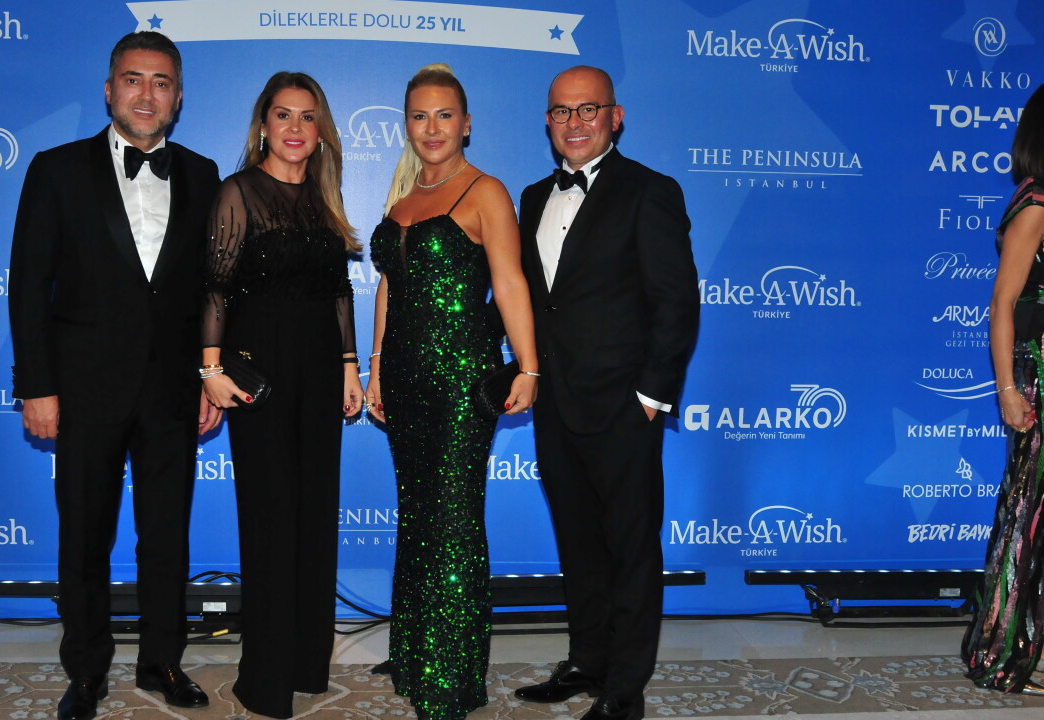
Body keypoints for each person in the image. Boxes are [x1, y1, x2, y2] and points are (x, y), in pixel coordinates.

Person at [8, 31, 221, 720]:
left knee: (167, 537)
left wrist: (210, 377)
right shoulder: (56, 169)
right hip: (82, 389)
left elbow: (212, 290)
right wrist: (36, 385)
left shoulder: (204, 174)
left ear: (178, 97)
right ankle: (86, 671)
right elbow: (28, 285)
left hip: (172, 392)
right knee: (83, 536)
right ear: (109, 90)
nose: (146, 94)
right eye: (133, 79)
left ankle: (162, 662)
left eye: (161, 82)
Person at [512, 66, 699, 720]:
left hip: (624, 406)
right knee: (579, 545)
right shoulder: (532, 197)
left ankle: (624, 689)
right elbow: (534, 302)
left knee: (630, 549)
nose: (575, 123)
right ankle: (587, 660)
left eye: (587, 109)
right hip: (555, 404)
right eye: (562, 112)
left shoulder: (650, 191)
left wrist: (651, 397)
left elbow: (676, 302)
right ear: (547, 121)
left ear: (615, 117)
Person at [364, 63, 538, 720]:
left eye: (444, 115)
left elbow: (510, 281)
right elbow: (388, 287)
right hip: (404, 377)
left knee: (453, 520)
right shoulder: (404, 198)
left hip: (462, 378)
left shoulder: (485, 191)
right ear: (406, 126)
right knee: (418, 515)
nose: (431, 128)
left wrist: (528, 367)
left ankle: (450, 677)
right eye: (419, 116)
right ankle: (415, 654)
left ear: (466, 124)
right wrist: (376, 368)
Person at [200, 71, 364, 719]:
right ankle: (266, 679)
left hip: (321, 374)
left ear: (320, 131)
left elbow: (338, 291)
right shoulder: (238, 191)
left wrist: (350, 366)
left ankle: (304, 665)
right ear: (263, 126)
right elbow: (215, 286)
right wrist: (209, 368)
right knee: (270, 520)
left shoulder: (324, 198)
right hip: (260, 377)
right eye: (283, 115)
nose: (296, 127)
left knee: (314, 516)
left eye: (307, 116)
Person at [962, 74, 1044, 697]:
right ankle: (999, 650)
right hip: (1041, 370)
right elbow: (1003, 302)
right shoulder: (1036, 203)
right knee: (1029, 511)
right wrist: (1009, 389)